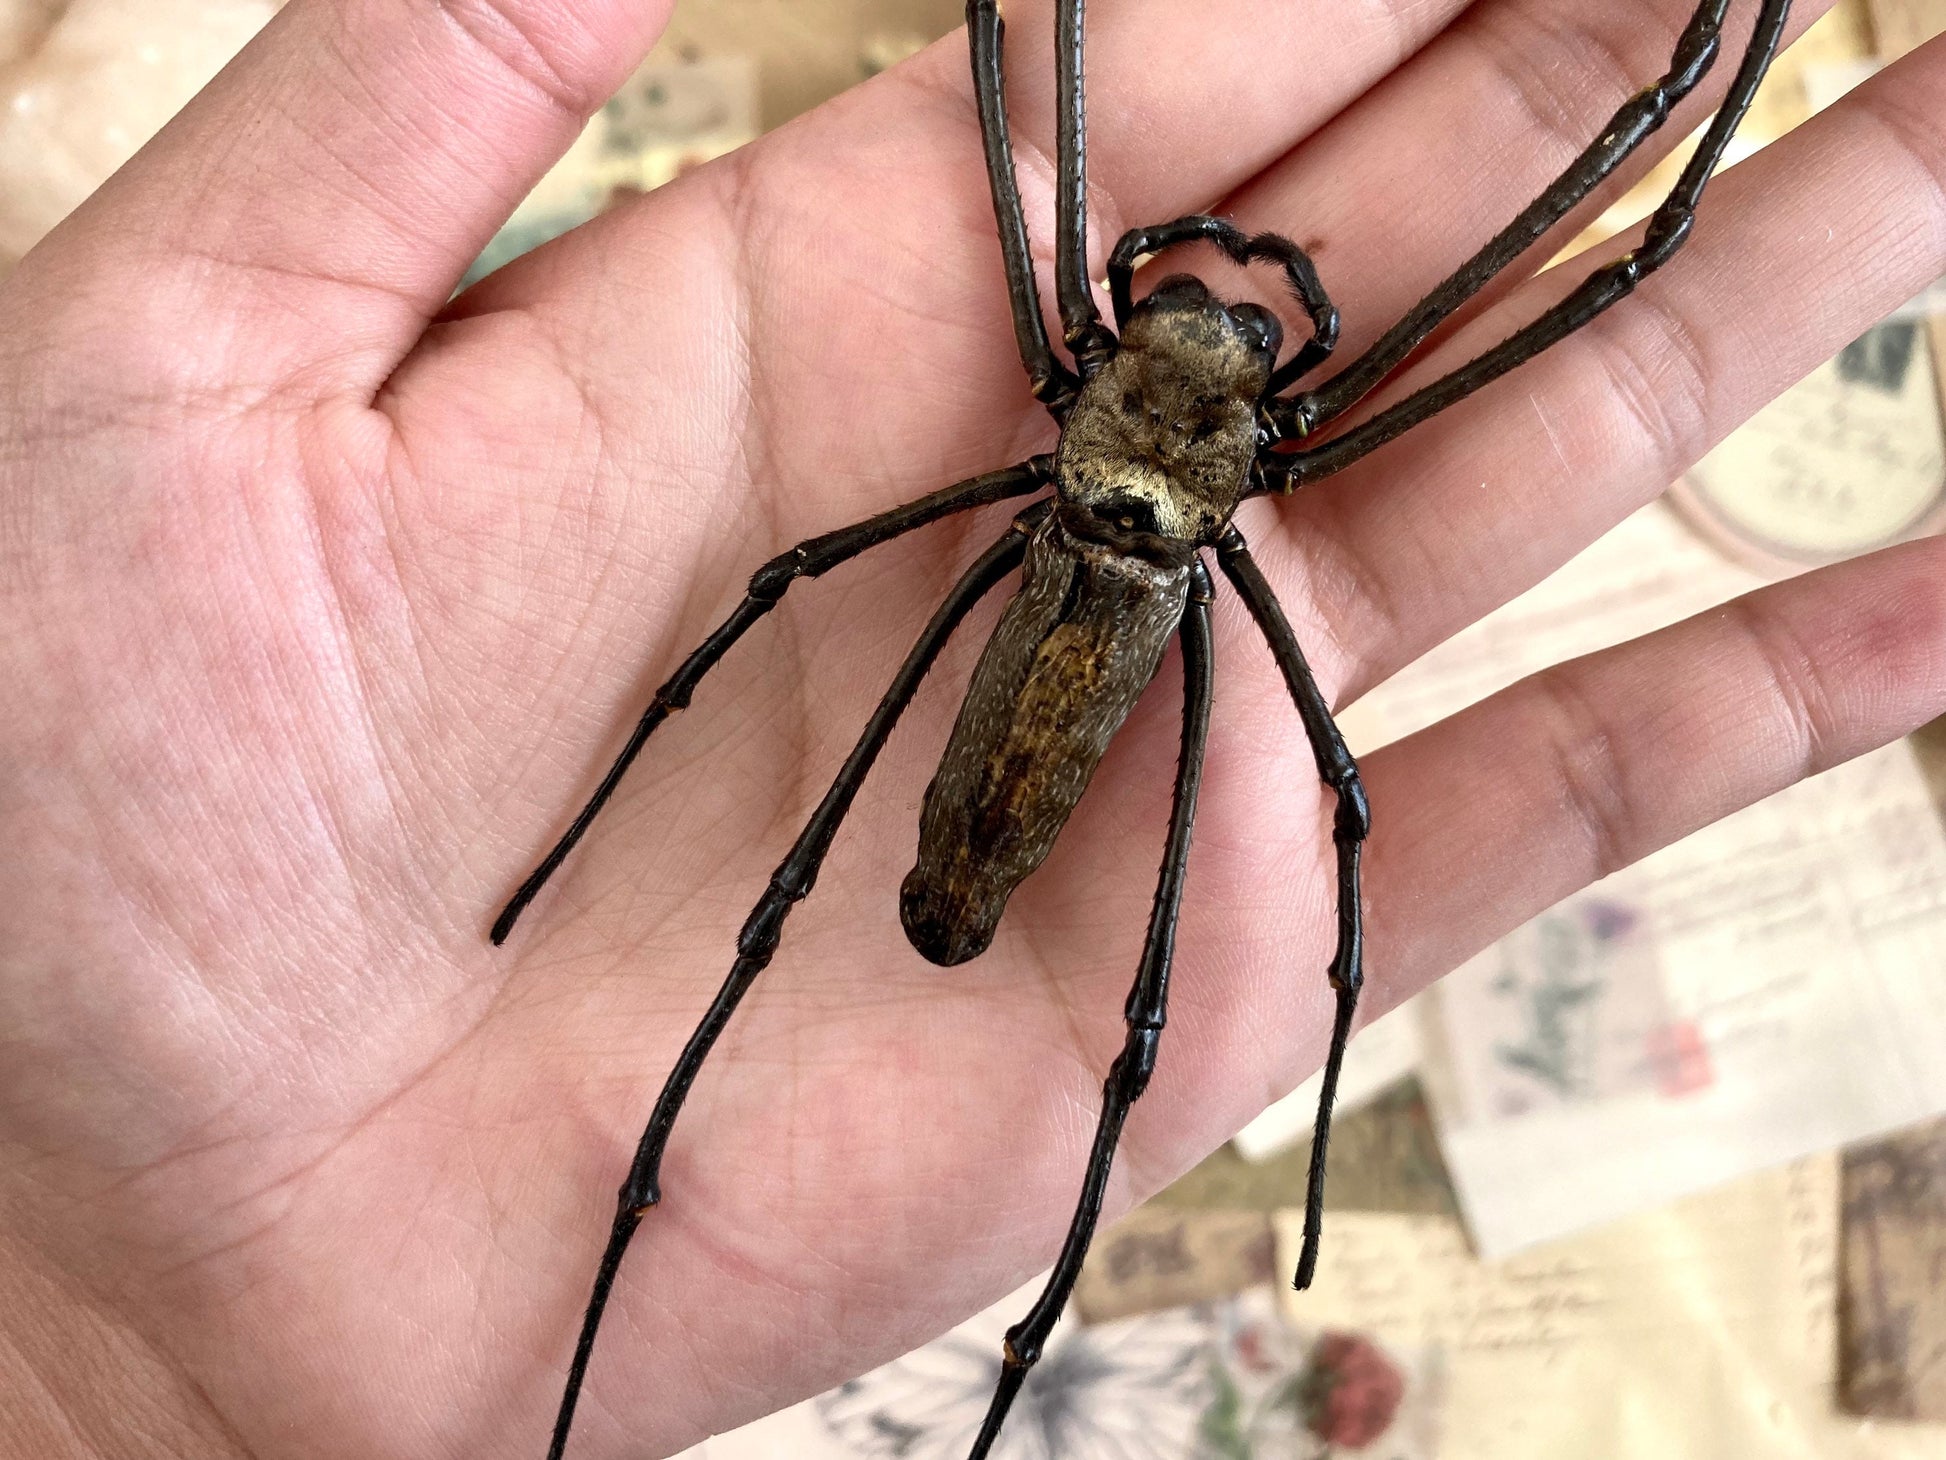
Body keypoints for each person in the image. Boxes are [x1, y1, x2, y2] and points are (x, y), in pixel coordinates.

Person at [2, 1, 1941, 1456]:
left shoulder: (1095, 373)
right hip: (1125, 612)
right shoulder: (1273, 435)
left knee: (1113, 896)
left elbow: (1641, 236)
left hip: (1084, 599)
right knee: (1052, 877)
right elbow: (1633, 243)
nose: (1198, 342)